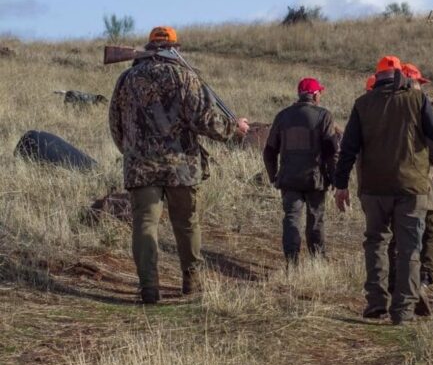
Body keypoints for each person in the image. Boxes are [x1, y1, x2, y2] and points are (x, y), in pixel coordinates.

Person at [109, 26, 250, 304]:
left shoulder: (127, 79)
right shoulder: (185, 76)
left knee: (145, 224)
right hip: (182, 166)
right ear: (174, 48)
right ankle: (192, 282)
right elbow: (204, 119)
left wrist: (131, 152)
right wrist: (234, 129)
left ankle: (149, 287)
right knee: (186, 224)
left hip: (141, 166)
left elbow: (116, 122)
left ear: (149, 46)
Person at [333, 55, 433, 325]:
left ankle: (376, 302)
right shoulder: (416, 99)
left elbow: (348, 149)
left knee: (376, 242)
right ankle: (403, 310)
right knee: (409, 248)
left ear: (377, 77)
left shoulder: (362, 104)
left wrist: (341, 185)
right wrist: (421, 99)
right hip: (411, 187)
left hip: (373, 188)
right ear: (400, 76)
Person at [263, 78, 340, 268]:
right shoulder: (323, 116)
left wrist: (273, 176)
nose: (320, 95)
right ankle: (317, 262)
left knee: (291, 218)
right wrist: (334, 178)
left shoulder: (282, 116)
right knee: (315, 220)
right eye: (319, 92)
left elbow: (269, 151)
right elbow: (332, 151)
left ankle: (292, 263)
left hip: (289, 179)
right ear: (314, 95)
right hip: (315, 180)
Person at [388, 63, 433, 296]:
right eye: (419, 83)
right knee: (430, 234)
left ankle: (395, 280)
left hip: (393, 185)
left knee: (398, 236)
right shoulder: (426, 112)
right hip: (424, 187)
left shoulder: (386, 110)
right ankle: (422, 279)